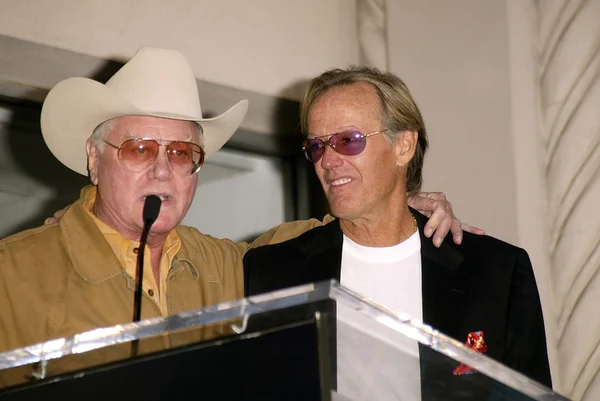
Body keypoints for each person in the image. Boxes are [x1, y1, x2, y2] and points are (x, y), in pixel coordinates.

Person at [0, 47, 472, 385]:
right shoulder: (13, 272)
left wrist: (401, 199)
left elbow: (339, 229)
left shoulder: (232, 267)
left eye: (183, 152)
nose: (163, 169)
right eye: (139, 148)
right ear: (93, 158)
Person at [242, 66, 552, 398]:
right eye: (317, 147)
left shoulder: (496, 270)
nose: (328, 161)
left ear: (403, 146)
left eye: (347, 141)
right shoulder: (273, 272)